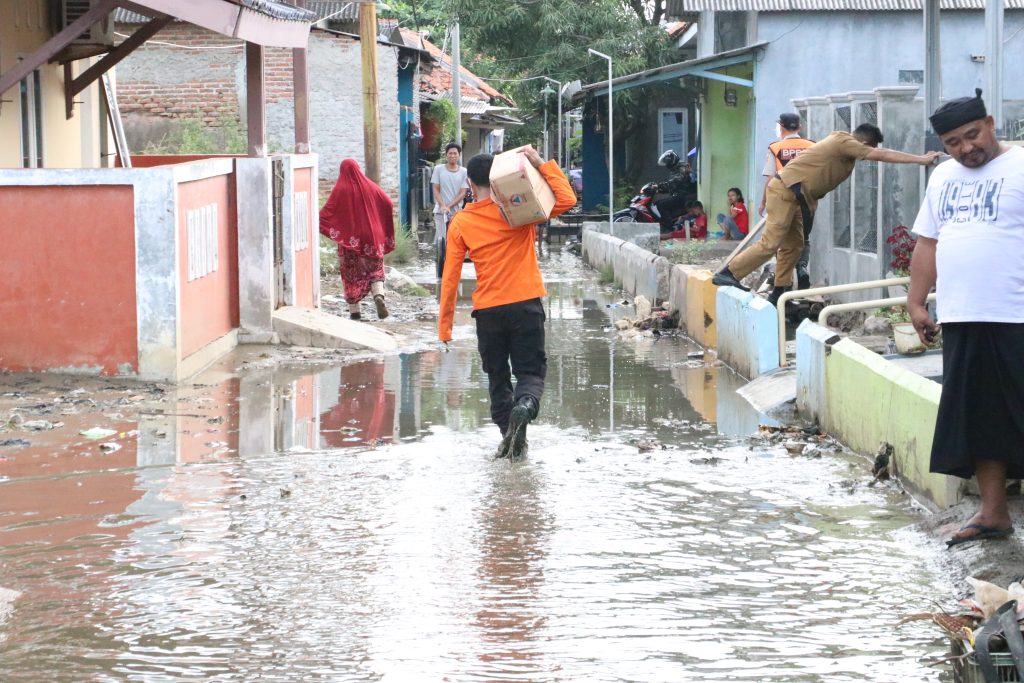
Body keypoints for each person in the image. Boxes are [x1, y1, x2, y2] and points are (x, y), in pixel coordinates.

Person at [908, 89, 1024, 548]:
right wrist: (917, 302)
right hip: (963, 314)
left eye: (972, 135)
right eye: (953, 142)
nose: (965, 148)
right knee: (980, 417)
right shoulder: (942, 176)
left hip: (1016, 313)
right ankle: (993, 513)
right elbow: (928, 242)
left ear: (991, 124)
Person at [438, 145, 576, 459]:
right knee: (530, 373)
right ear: (497, 179)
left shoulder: (460, 223)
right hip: (526, 304)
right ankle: (525, 405)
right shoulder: (519, 208)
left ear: (470, 184)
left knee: (497, 378)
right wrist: (540, 163)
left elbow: (450, 278)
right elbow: (566, 199)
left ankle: (510, 439)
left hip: (488, 312)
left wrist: (445, 328)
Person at [712, 123, 940, 306]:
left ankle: (778, 293)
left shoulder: (841, 144)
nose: (864, 155)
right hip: (784, 192)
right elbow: (881, 154)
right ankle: (729, 273)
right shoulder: (844, 142)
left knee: (794, 246)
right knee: (771, 243)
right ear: (862, 142)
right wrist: (921, 159)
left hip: (795, 197)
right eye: (866, 148)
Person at [319, 159, 396, 320]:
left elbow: (328, 212)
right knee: (375, 269)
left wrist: (317, 219)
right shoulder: (370, 186)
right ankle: (378, 295)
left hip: (350, 239)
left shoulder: (341, 188)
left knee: (351, 273)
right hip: (372, 236)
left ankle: (355, 311)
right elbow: (388, 202)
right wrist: (380, 221)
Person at [759, 113, 815, 288]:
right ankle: (802, 268)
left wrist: (763, 202)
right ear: (799, 127)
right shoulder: (811, 146)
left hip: (781, 200)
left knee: (781, 239)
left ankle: (785, 280)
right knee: (803, 238)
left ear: (781, 127)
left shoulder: (775, 148)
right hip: (806, 200)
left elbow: (770, 179)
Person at [432, 142, 469, 244]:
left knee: (455, 240)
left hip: (457, 212)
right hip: (440, 210)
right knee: (441, 239)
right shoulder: (438, 169)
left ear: (459, 155)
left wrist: (449, 206)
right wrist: (443, 206)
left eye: (455, 153)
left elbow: (463, 193)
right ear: (446, 155)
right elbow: (435, 189)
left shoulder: (464, 171)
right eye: (450, 153)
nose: (452, 156)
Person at [653, 151, 696, 233]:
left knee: (661, 205)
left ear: (672, 161)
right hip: (680, 195)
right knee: (657, 203)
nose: (667, 165)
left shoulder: (682, 167)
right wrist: (658, 190)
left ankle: (670, 228)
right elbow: (673, 187)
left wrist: (659, 186)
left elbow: (676, 182)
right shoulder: (675, 169)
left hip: (686, 196)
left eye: (667, 163)